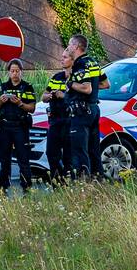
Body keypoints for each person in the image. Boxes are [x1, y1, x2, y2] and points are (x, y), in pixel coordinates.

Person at [0, 58, 37, 192]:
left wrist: (20, 104)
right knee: (4, 159)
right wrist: (1, 101)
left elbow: (32, 108)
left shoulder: (27, 87)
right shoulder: (2, 87)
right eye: (12, 71)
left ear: (21, 72)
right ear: (8, 72)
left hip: (20, 127)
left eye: (17, 71)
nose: (15, 74)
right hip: (5, 126)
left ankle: (26, 188)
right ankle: (3, 187)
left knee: (23, 159)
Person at [65, 34, 103, 180]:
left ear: (76, 46)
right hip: (93, 109)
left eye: (70, 45)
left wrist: (70, 84)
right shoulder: (93, 62)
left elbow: (86, 88)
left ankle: (83, 183)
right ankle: (97, 179)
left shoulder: (80, 64)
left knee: (80, 150)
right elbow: (105, 84)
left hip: (81, 111)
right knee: (94, 149)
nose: (68, 47)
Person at [41, 51, 74, 182]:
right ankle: (58, 182)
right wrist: (50, 96)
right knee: (51, 153)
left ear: (72, 60)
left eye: (65, 57)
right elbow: (43, 96)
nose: (62, 60)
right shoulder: (56, 77)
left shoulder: (76, 78)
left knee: (68, 156)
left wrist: (63, 96)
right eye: (62, 57)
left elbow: (80, 97)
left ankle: (69, 182)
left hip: (69, 121)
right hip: (55, 121)